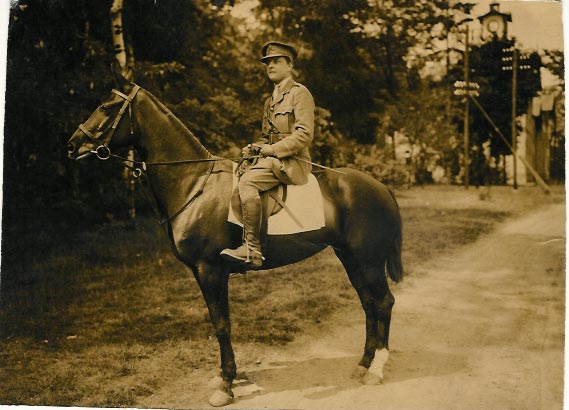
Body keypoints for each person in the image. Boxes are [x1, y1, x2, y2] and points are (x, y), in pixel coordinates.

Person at [221, 41, 315, 268]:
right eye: (267, 63)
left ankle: (251, 249)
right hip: (273, 159)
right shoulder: (270, 101)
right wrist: (254, 147)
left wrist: (272, 150)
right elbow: (268, 137)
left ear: (290, 65)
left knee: (248, 184)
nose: (270, 66)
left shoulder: (300, 94)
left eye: (276, 61)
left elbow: (304, 134)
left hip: (293, 162)